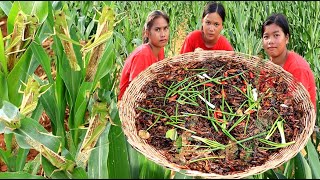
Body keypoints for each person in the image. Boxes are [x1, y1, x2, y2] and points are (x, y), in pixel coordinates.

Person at [261, 13, 316, 109]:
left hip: (298, 120)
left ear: (287, 38)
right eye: (266, 37)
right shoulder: (270, 65)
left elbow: (295, 107)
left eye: (276, 35)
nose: (270, 41)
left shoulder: (297, 68)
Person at [118, 10, 170, 100]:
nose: (163, 34)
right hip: (130, 103)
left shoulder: (160, 49)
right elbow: (135, 91)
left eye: (165, 28)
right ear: (147, 32)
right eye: (157, 29)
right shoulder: (143, 54)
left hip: (149, 95)